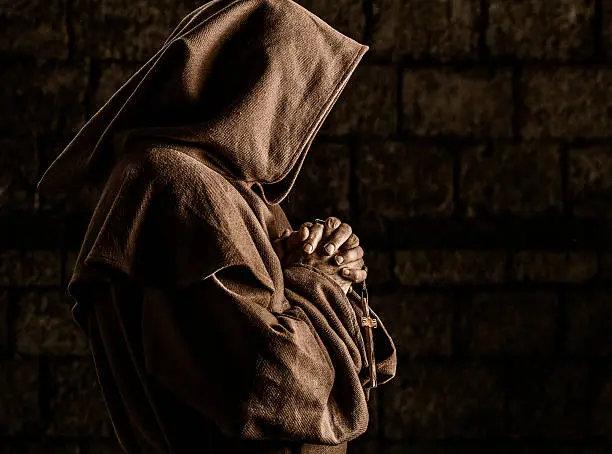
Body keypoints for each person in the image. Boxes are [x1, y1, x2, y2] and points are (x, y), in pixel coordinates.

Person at [36, 0, 397, 453]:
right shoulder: (172, 185)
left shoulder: (240, 194)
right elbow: (284, 389)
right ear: (257, 86)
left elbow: (350, 383)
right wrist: (320, 280)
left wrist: (339, 272)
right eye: (296, 92)